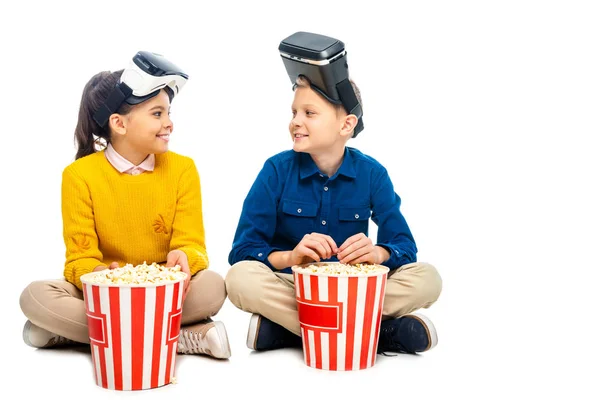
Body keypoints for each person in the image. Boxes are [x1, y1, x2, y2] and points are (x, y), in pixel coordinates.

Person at [226, 32, 442, 355]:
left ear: (346, 125)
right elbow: (243, 251)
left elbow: (404, 246)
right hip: (296, 287)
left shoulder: (373, 175)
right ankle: (375, 333)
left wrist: (378, 254)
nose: (295, 122)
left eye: (309, 113)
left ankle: (293, 330)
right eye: (294, 112)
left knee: (429, 278)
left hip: (356, 290)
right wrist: (291, 257)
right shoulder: (276, 171)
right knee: (239, 279)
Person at [19, 51, 230, 359]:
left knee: (212, 286)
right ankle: (178, 338)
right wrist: (103, 274)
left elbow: (194, 246)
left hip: (163, 290)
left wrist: (184, 256)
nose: (169, 123)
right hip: (104, 291)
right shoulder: (79, 175)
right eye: (157, 114)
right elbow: (79, 260)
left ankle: (74, 333)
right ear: (118, 123)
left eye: (169, 113)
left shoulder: (183, 169)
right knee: (34, 297)